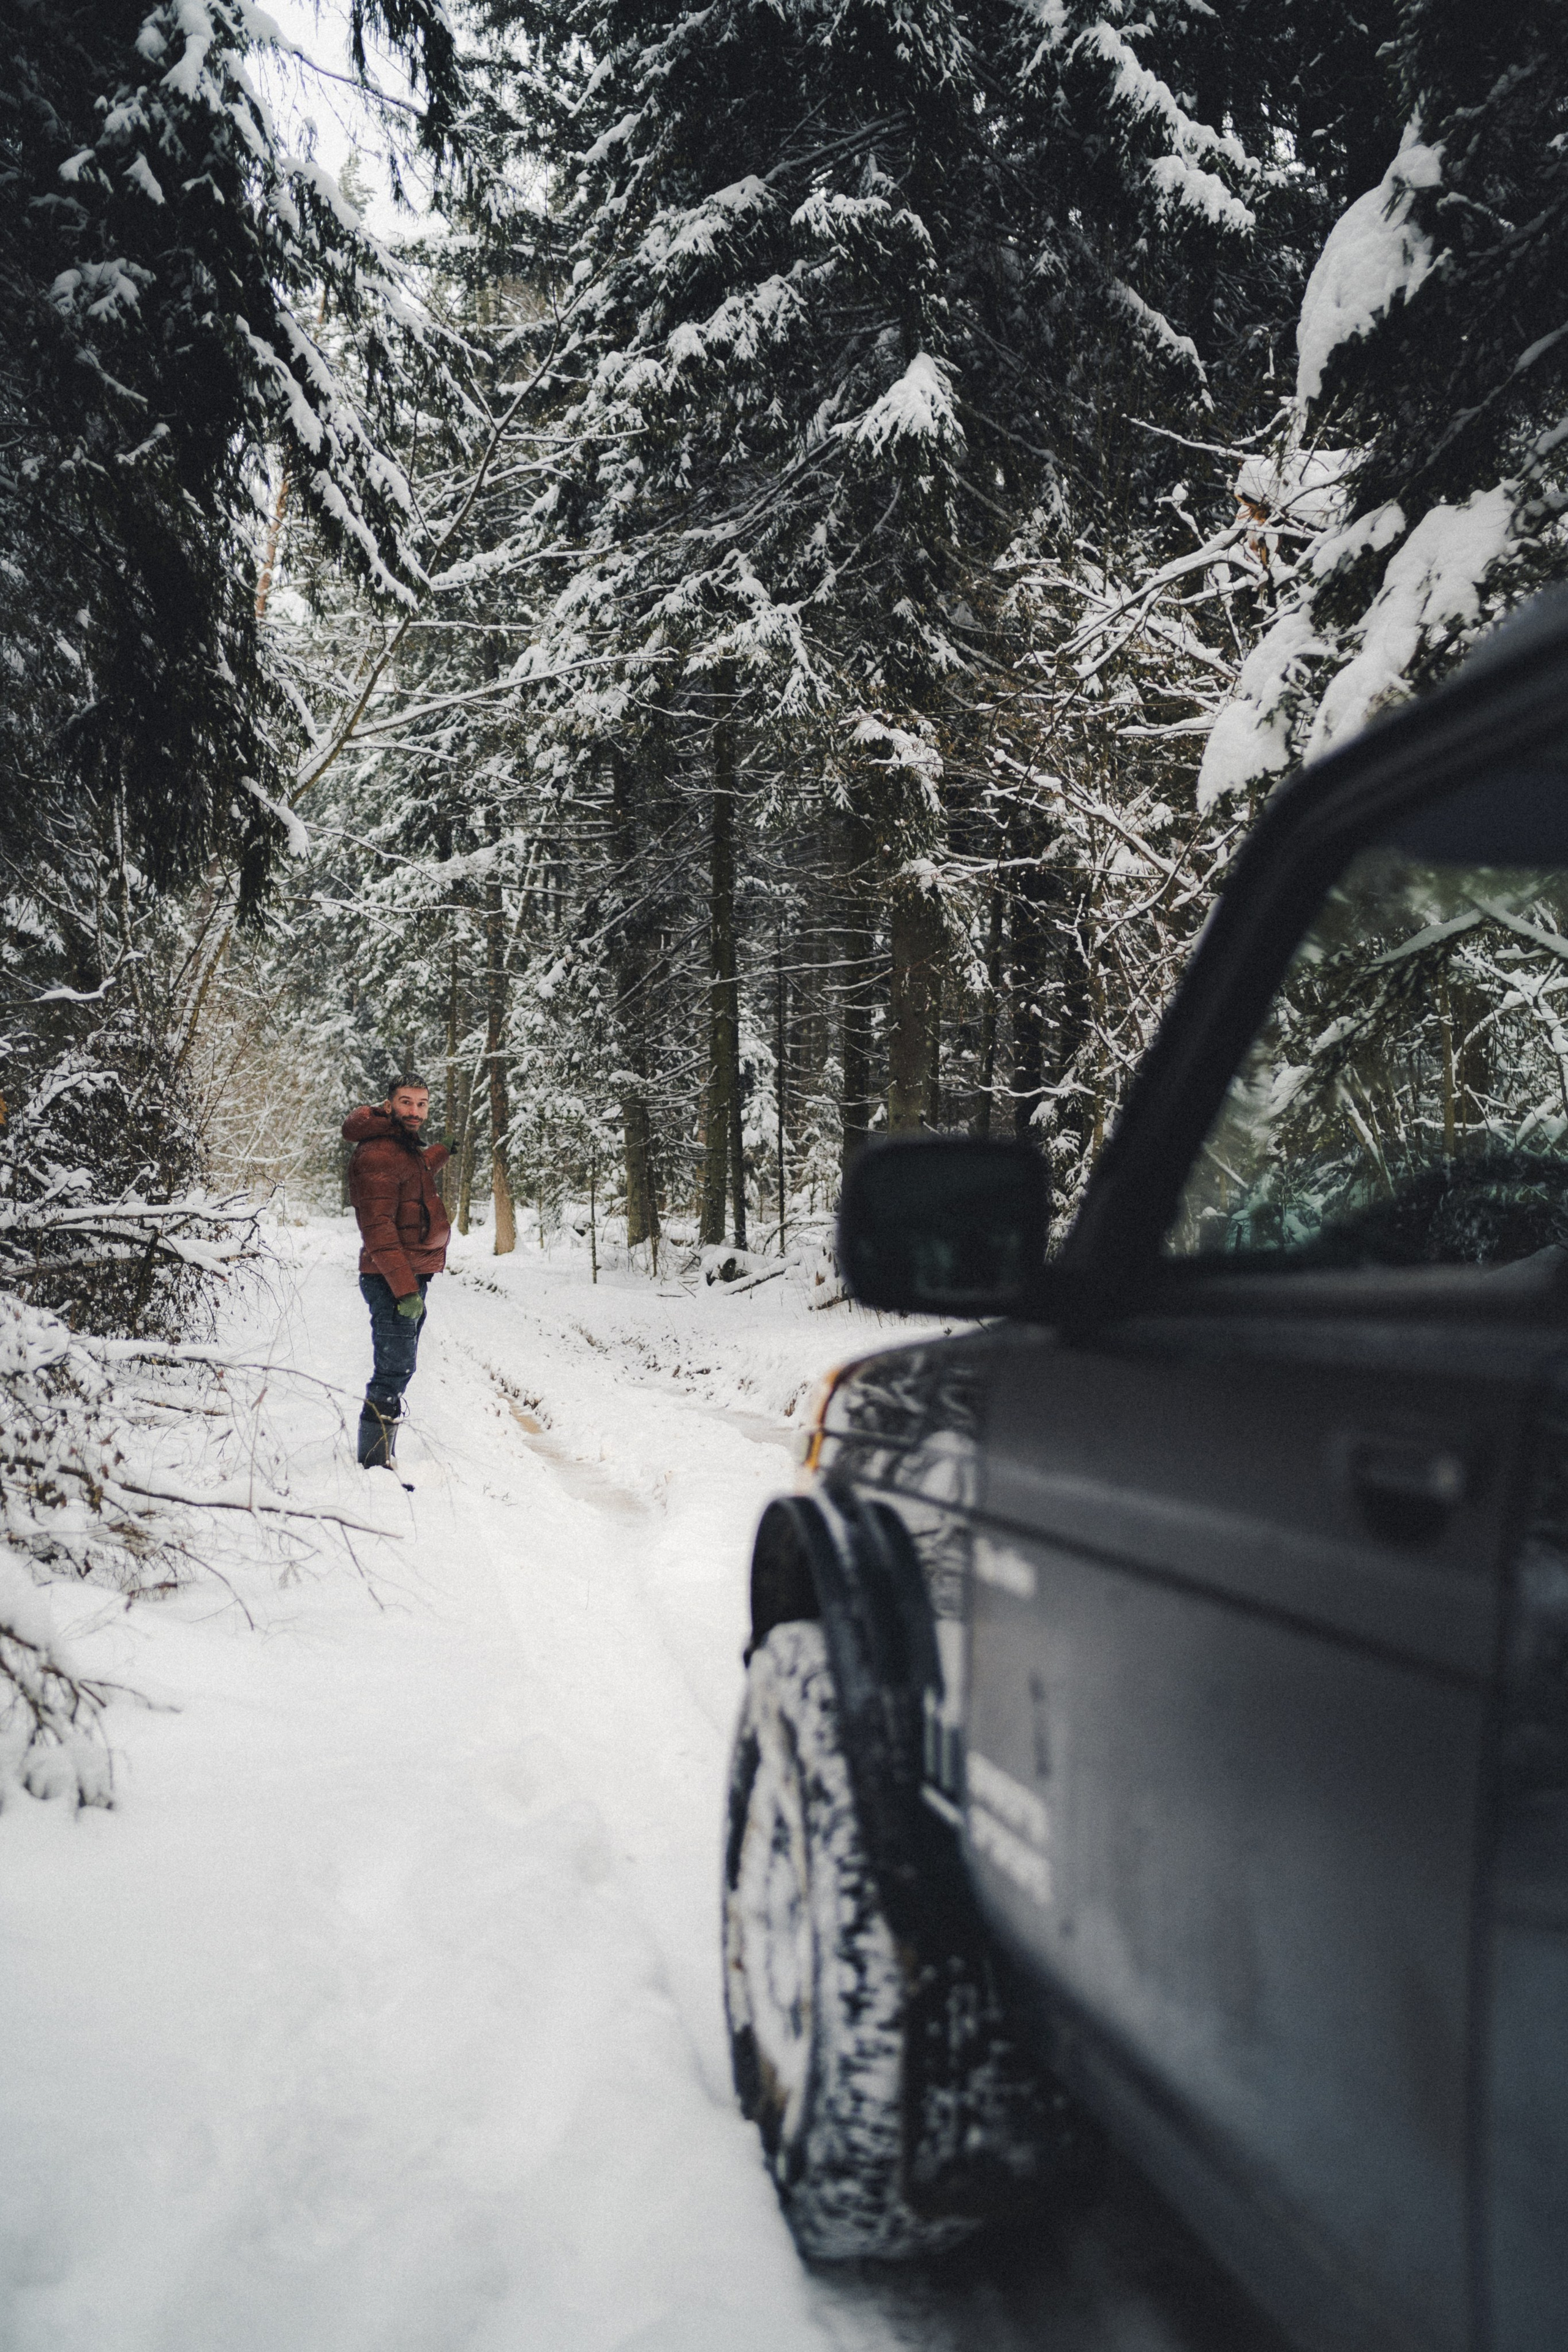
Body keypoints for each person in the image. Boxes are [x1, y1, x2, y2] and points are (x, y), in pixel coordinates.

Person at [343, 1076, 451, 1473]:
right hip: (392, 1280)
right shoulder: (378, 1154)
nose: (415, 1112)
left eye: (422, 1104)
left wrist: (443, 1151)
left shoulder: (398, 1147)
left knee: (399, 1366)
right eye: (406, 1103)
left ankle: (378, 1454)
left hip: (406, 1277)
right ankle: (372, 1464)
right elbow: (378, 1229)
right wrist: (406, 1291)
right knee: (392, 1370)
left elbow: (413, 1173)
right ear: (388, 1106)